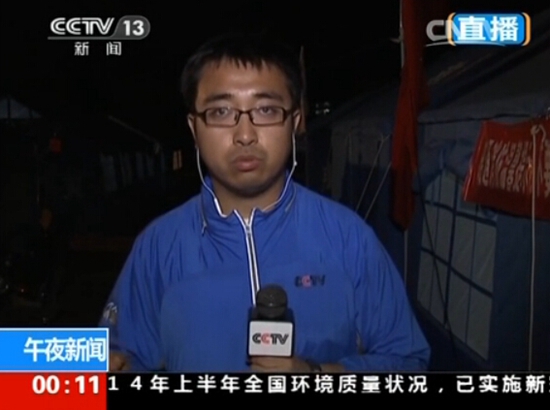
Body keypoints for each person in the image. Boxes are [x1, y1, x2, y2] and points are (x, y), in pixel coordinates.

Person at [101, 32, 430, 372]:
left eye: (267, 109)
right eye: (221, 111)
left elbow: (409, 360)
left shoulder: (349, 238)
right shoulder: (157, 247)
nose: (245, 135)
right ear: (194, 128)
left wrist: (318, 375)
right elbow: (118, 357)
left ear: (295, 122)